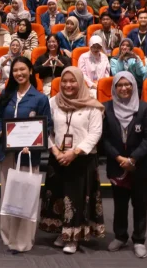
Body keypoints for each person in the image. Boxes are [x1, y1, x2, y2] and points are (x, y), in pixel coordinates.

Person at [39, 67, 105, 254]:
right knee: (59, 196)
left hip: (81, 159)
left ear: (80, 82)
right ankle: (63, 232)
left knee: (76, 199)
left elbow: (95, 133)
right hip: (58, 158)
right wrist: (55, 150)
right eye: (65, 81)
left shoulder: (92, 105)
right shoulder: (53, 102)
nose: (68, 85)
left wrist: (74, 153)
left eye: (72, 81)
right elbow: (45, 129)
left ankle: (74, 237)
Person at [0, 56, 52, 253]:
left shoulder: (40, 98)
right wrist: (0, 132)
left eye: (22, 69)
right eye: (15, 70)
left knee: (26, 196)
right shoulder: (7, 94)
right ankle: (8, 236)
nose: (19, 73)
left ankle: (23, 240)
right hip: (7, 155)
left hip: (28, 156)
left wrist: (34, 145)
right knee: (8, 195)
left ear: (30, 71)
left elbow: (47, 126)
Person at [103, 71, 147, 259]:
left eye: (127, 84)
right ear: (114, 88)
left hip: (141, 165)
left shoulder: (144, 108)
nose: (124, 88)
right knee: (120, 204)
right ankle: (120, 236)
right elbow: (104, 138)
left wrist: (132, 159)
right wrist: (119, 158)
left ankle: (139, 240)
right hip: (116, 164)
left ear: (133, 86)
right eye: (120, 85)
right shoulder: (106, 108)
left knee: (140, 205)